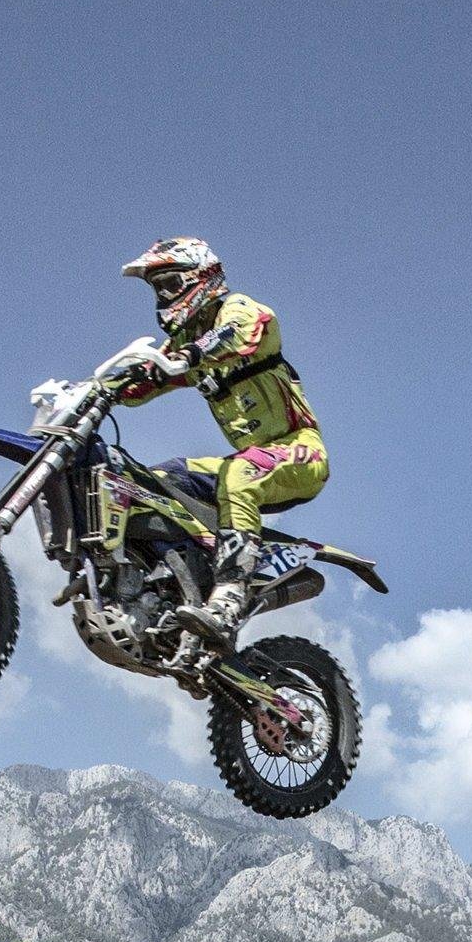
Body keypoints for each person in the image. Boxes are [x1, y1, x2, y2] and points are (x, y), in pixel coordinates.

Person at [104, 238, 329, 643]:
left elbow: (244, 331)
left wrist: (190, 355)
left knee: (241, 474)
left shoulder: (238, 311)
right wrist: (96, 390)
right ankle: (176, 584)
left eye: (171, 284)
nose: (164, 297)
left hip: (301, 453)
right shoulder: (185, 343)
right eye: (158, 289)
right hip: (245, 460)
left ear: (200, 279)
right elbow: (141, 385)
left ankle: (230, 595)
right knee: (155, 481)